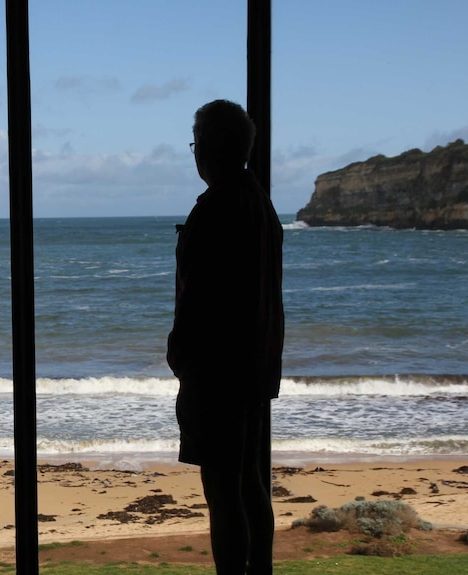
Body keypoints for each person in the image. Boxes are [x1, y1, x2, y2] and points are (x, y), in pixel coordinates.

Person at [166, 100, 284, 575]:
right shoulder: (259, 203)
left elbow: (199, 300)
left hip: (217, 375)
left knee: (223, 491)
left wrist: (182, 358)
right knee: (250, 483)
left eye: (196, 143)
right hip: (253, 369)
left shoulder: (217, 208)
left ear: (209, 148)